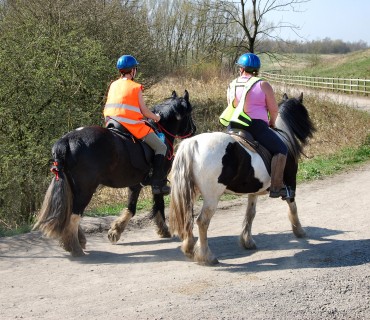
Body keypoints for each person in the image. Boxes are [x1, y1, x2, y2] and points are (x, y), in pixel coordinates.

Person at [221, 52, 292, 199]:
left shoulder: (232, 84)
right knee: (281, 149)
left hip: (233, 125)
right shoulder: (263, 84)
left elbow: (231, 105)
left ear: (241, 69)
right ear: (257, 70)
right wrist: (272, 121)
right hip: (255, 126)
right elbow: (273, 109)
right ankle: (277, 187)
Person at [104, 54, 170, 195]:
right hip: (131, 125)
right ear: (132, 70)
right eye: (135, 68)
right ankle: (156, 182)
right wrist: (156, 117)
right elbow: (145, 111)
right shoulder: (135, 87)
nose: (135, 71)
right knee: (161, 146)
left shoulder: (113, 85)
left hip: (111, 123)